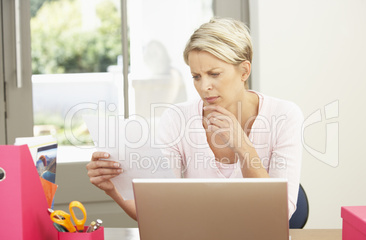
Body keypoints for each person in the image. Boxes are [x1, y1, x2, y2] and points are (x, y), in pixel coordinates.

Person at [86, 17, 303, 221]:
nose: (204, 87)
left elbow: (280, 213)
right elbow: (157, 210)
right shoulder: (178, 119)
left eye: (214, 74)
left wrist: (243, 146)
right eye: (196, 77)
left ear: (244, 71)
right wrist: (113, 189)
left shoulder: (283, 116)